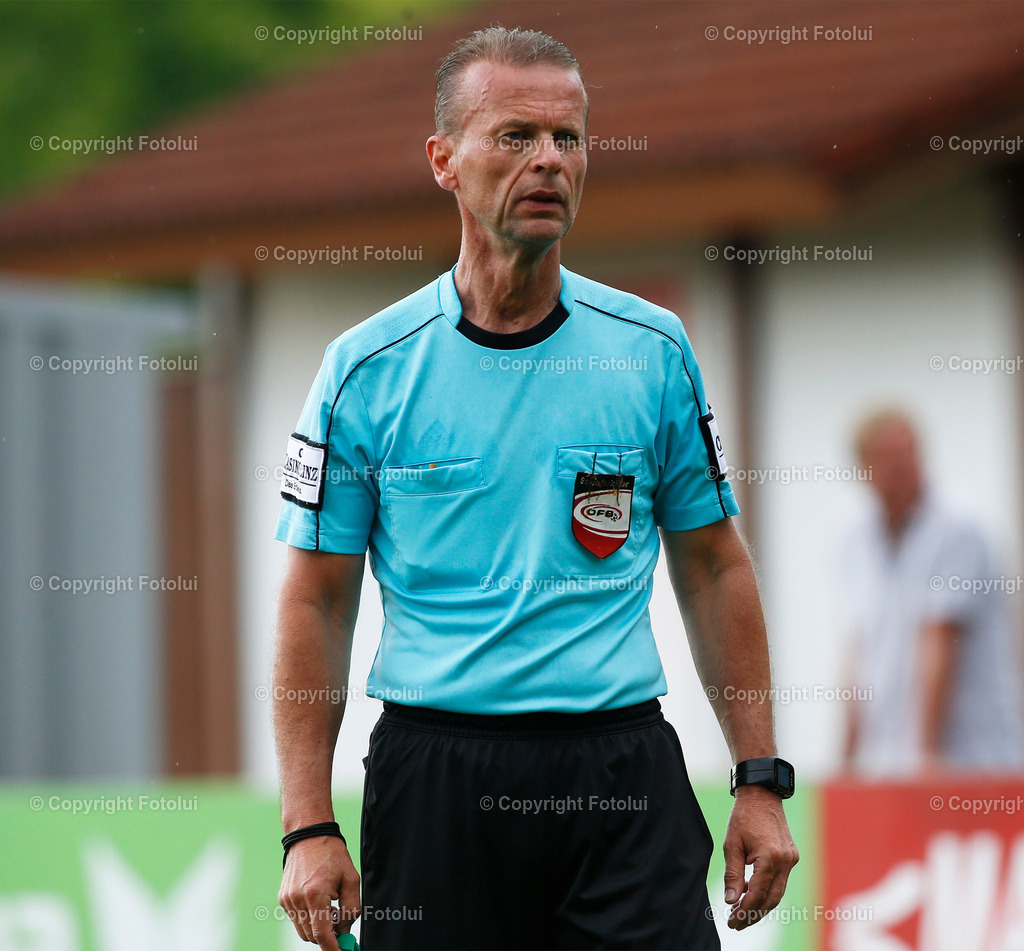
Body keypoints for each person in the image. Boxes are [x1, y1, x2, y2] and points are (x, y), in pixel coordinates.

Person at [272, 26, 797, 951]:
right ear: (445, 160)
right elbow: (316, 598)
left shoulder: (650, 349)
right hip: (439, 780)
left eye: (569, 137)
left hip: (621, 773)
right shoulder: (365, 371)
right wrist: (308, 824)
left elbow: (715, 565)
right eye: (516, 136)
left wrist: (759, 776)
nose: (550, 160)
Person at [842, 409, 1024, 777]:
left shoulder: (958, 524)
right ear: (864, 469)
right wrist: (848, 762)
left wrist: (927, 758)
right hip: (892, 763)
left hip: (973, 760)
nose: (904, 468)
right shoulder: (854, 533)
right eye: (890, 459)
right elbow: (858, 651)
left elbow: (938, 641)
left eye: (909, 454)